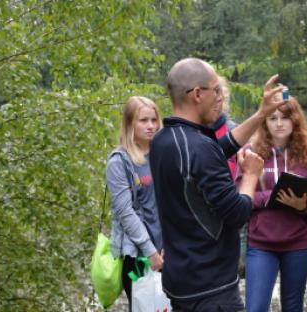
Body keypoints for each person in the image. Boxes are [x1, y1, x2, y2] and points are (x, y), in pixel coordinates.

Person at [149, 57, 286, 312]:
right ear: (198, 94)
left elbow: (218, 150)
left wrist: (261, 115)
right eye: (216, 90)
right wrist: (251, 175)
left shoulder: (163, 140)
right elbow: (237, 213)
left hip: (181, 281)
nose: (221, 97)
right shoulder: (199, 147)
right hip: (211, 289)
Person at [235, 96, 307, 312]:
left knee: (293, 306)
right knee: (255, 307)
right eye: (272, 118)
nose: (278, 124)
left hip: (300, 243)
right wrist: (271, 197)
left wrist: (302, 205)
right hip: (261, 243)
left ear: (295, 121)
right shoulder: (251, 153)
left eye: (285, 118)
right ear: (265, 122)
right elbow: (239, 197)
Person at [106, 96, 164, 310]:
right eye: (143, 120)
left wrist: (170, 243)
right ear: (130, 123)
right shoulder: (119, 162)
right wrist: (151, 252)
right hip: (138, 256)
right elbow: (125, 212)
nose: (150, 126)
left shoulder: (163, 154)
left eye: (154, 120)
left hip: (169, 250)